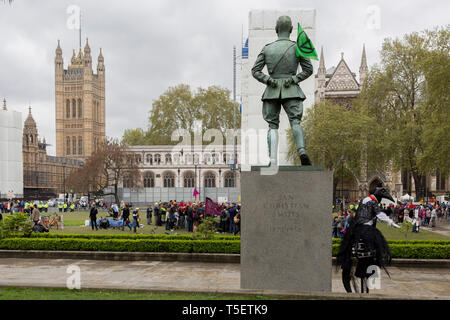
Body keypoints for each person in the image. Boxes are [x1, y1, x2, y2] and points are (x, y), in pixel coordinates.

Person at [251, 15, 313, 167]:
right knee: (296, 122)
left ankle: (272, 160)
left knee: (272, 125)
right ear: (291, 30)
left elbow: (255, 70)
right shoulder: (297, 47)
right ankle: (302, 151)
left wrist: (268, 80)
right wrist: (294, 79)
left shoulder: (267, 48)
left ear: (276, 30)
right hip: (291, 89)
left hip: (271, 91)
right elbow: (308, 69)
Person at [337, 186, 400, 293]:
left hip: (356, 228)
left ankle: (352, 277)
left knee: (349, 249)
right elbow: (380, 214)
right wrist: (391, 222)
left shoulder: (364, 201)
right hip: (367, 229)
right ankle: (369, 272)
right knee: (375, 251)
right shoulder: (373, 202)